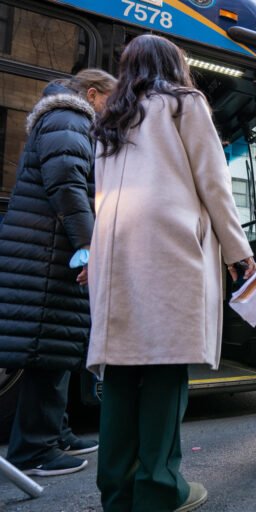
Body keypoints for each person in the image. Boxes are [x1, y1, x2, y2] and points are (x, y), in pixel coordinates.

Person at [90, 34, 256, 512]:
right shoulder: (184, 103)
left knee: (120, 369)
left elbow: (101, 194)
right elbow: (213, 182)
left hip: (114, 247)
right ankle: (161, 488)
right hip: (168, 245)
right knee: (165, 366)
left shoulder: (110, 118)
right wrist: (236, 250)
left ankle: (117, 491)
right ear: (173, 64)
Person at [0, 69, 116, 476]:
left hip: (47, 252)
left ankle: (54, 432)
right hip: (47, 254)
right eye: (109, 102)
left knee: (57, 347)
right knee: (45, 349)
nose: (111, 112)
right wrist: (89, 244)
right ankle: (32, 451)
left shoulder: (65, 119)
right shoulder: (71, 119)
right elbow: (67, 184)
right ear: (91, 93)